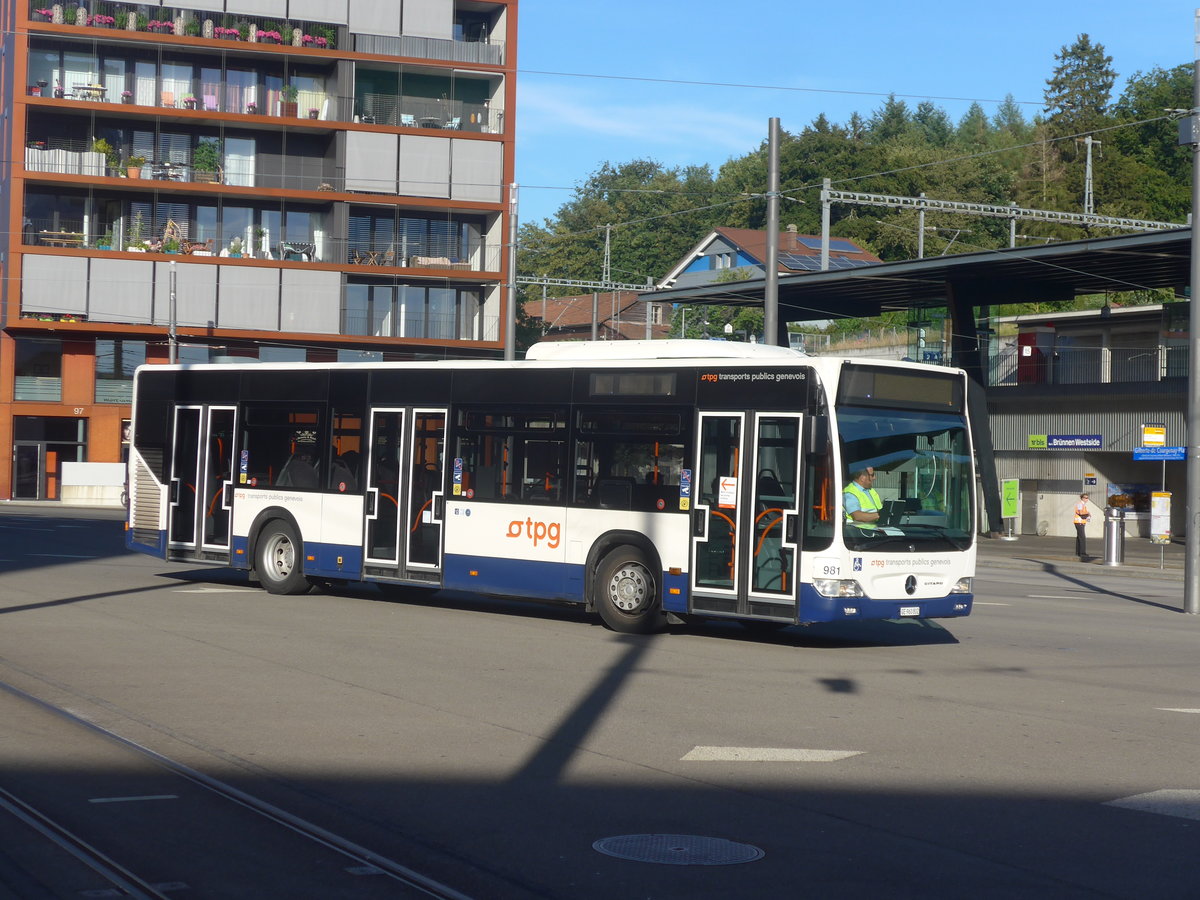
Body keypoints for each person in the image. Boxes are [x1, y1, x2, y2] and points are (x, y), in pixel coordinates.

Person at [1074, 492, 1092, 560]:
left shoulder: (1082, 504)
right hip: (1079, 522)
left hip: (1080, 522)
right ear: (1082, 498)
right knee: (1082, 538)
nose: (1087, 499)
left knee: (1079, 537)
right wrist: (1088, 513)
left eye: (1088, 498)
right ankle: (1082, 553)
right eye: (1086, 498)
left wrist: (1087, 514)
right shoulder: (1080, 504)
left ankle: (1078, 552)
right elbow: (1080, 512)